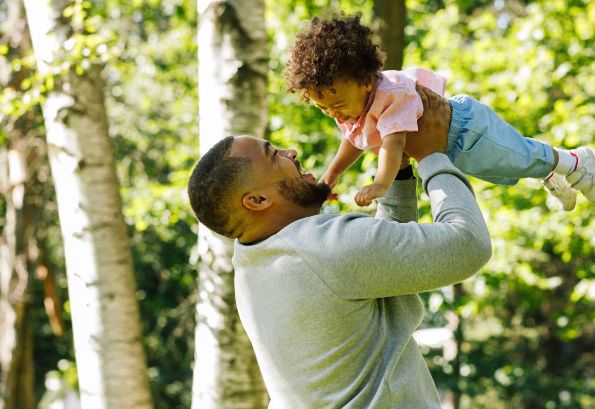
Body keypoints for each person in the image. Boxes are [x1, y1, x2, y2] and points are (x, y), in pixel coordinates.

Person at [187, 85, 491, 408]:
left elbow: (381, 263)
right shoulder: (322, 248)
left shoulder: (253, 263)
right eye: (274, 155)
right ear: (258, 200)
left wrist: (399, 171)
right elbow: (469, 244)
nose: (291, 152)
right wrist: (431, 155)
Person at [282, 11, 595, 210]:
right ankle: (547, 170)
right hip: (447, 148)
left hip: (465, 129)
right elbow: (355, 140)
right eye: (322, 107)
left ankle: (573, 161)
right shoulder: (350, 109)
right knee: (503, 171)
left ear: (366, 81)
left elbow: (393, 144)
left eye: (336, 105)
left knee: (514, 155)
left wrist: (381, 184)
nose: (333, 114)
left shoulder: (389, 95)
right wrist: (333, 173)